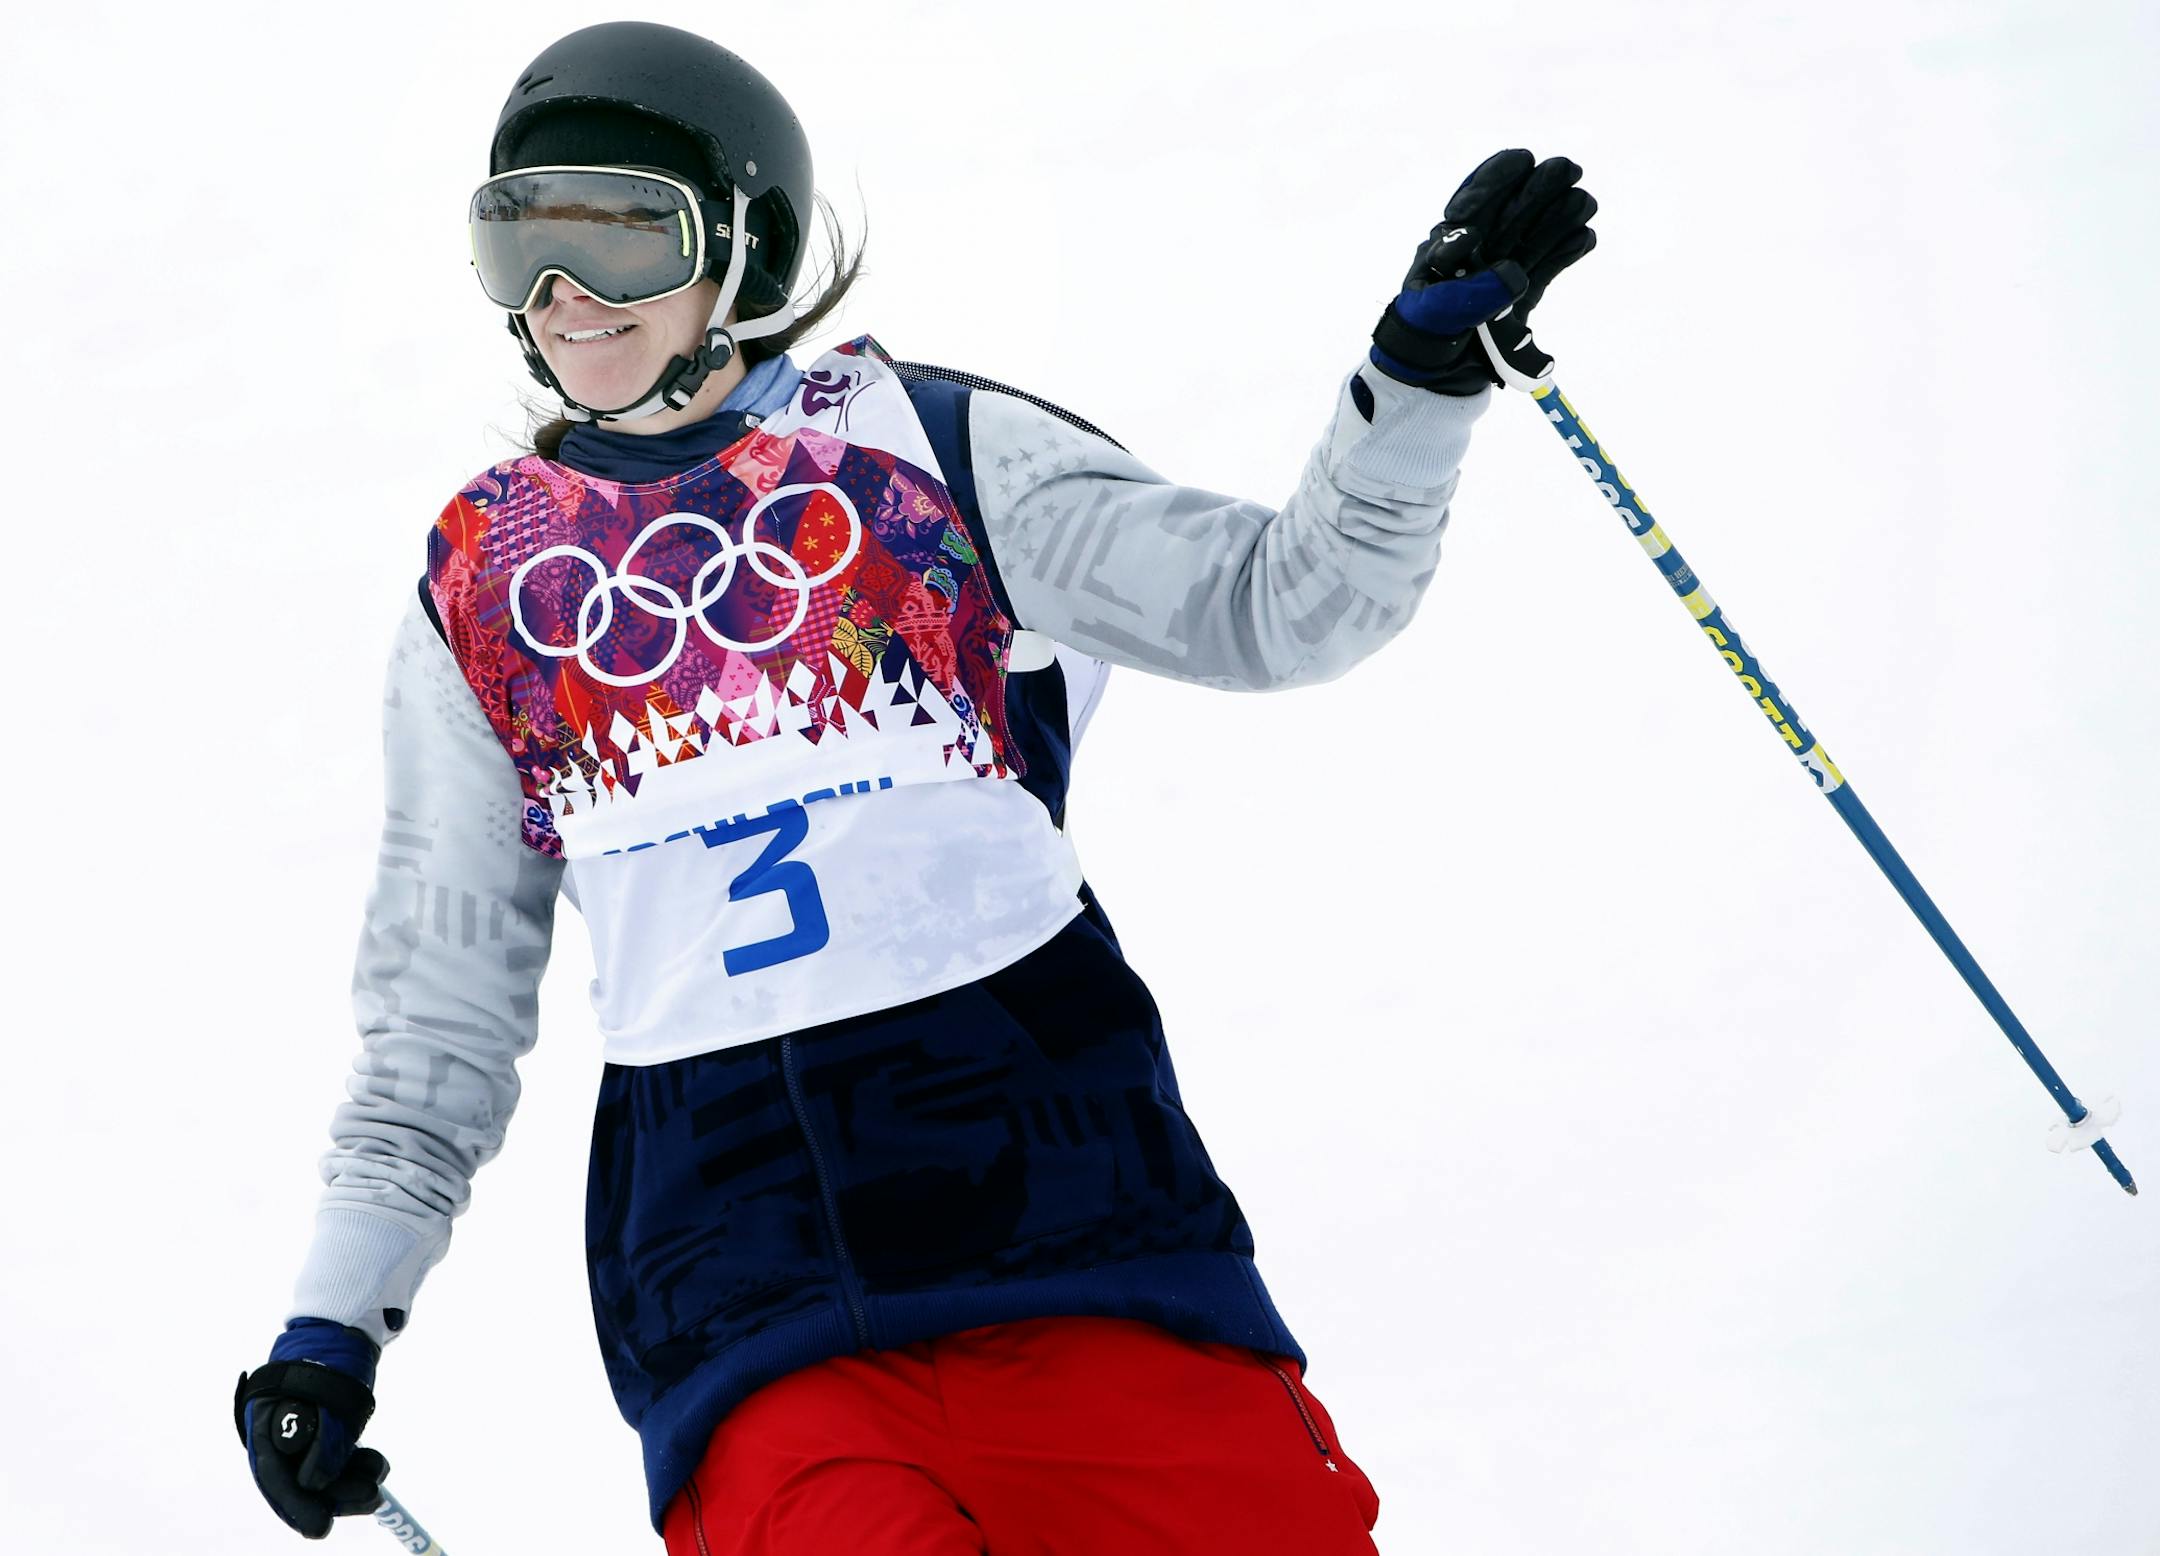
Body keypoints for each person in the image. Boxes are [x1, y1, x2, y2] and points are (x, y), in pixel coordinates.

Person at [232, 19, 1596, 1553]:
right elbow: (440, 1017)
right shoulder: (487, 586)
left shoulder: (936, 455)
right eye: (521, 248)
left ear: (744, 245)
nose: (565, 301)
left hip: (1069, 1222)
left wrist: (1413, 384)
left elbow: (1283, 605)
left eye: (621, 238)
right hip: (741, 1295)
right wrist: (328, 1330)